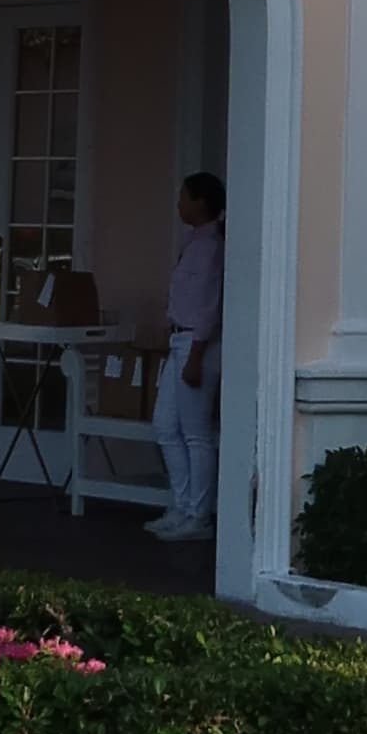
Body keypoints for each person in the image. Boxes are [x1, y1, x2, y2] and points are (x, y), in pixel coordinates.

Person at [150, 169, 225, 539]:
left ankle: (200, 515)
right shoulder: (194, 243)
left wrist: (196, 354)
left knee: (196, 433)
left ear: (200, 202)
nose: (179, 203)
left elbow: (209, 306)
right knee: (165, 426)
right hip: (178, 341)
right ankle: (182, 505)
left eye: (184, 196)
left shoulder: (212, 248)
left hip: (198, 344)